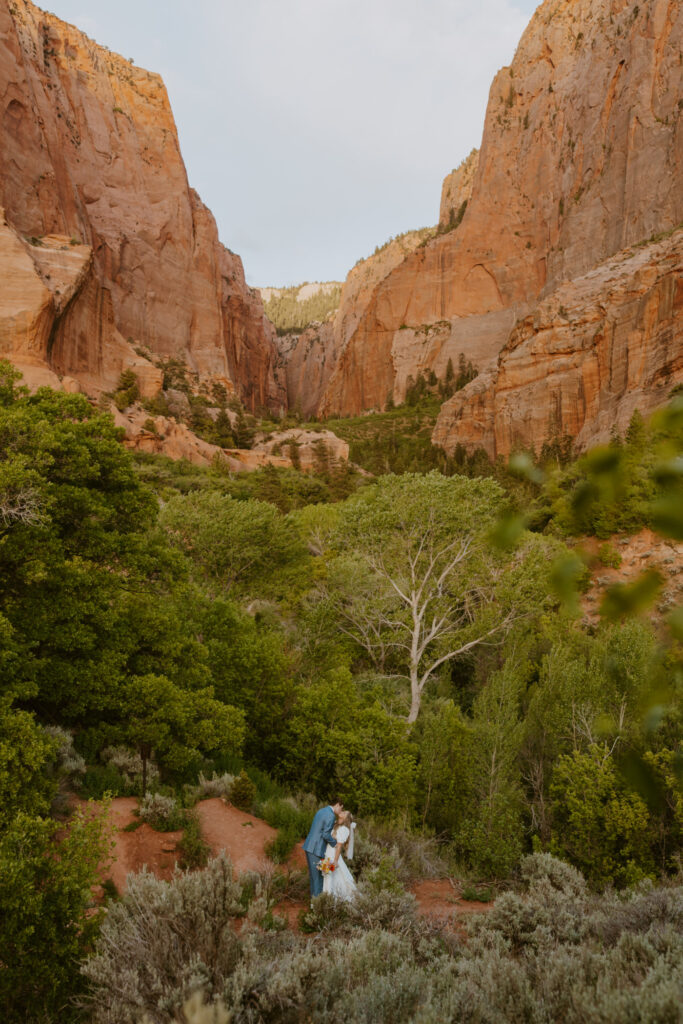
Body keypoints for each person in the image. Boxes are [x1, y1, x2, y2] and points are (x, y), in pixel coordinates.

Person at [303, 799, 343, 900]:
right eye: (341, 808)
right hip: (316, 849)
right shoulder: (331, 815)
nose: (340, 811)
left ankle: (313, 905)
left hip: (309, 846)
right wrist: (335, 844)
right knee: (318, 880)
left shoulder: (321, 811)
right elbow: (325, 834)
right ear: (337, 805)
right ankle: (317, 907)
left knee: (313, 878)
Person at [323, 810, 357, 902]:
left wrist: (335, 861)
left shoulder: (344, 829)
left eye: (344, 813)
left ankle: (332, 900)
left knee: (332, 877)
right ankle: (327, 899)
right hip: (327, 853)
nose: (342, 812)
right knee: (327, 877)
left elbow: (339, 847)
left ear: (346, 818)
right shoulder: (336, 825)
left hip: (333, 856)